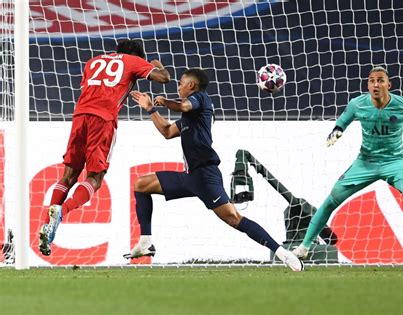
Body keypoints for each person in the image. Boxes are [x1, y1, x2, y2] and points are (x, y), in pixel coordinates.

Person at [125, 68, 303, 271]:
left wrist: (164, 101)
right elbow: (166, 131)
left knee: (234, 219)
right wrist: (150, 109)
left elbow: (184, 106)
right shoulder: (190, 117)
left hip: (206, 175)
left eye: (181, 83)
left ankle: (282, 254)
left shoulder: (200, 98)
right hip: (191, 177)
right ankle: (146, 242)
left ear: (191, 86)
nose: (178, 86)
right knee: (141, 184)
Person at [292, 66, 403, 263]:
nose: (376, 84)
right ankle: (304, 247)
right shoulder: (357, 104)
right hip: (365, 162)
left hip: (394, 161)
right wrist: (336, 131)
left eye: (380, 80)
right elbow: (343, 121)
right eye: (372, 80)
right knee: (332, 198)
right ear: (368, 85)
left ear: (388, 85)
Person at [38, 39, 171, 256]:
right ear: (138, 56)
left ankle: (47, 224)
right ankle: (63, 212)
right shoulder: (132, 61)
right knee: (95, 178)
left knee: (68, 176)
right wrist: (157, 66)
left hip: (80, 116)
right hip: (103, 119)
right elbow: (164, 78)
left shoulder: (93, 61)